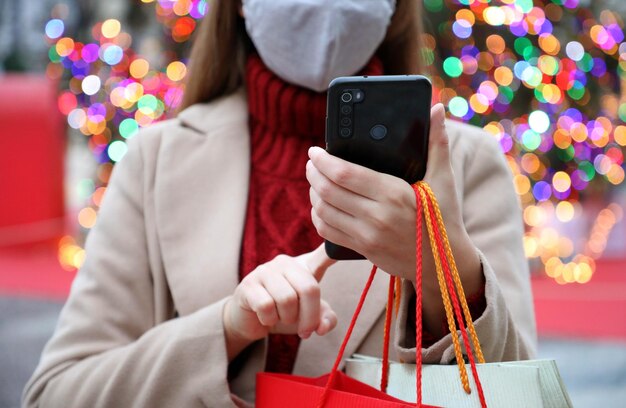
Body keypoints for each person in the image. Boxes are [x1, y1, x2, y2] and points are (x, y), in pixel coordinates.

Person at [23, 0, 537, 406]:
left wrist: (443, 269)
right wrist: (227, 327)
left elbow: (525, 398)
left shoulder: (465, 163)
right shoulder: (155, 159)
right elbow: (57, 393)